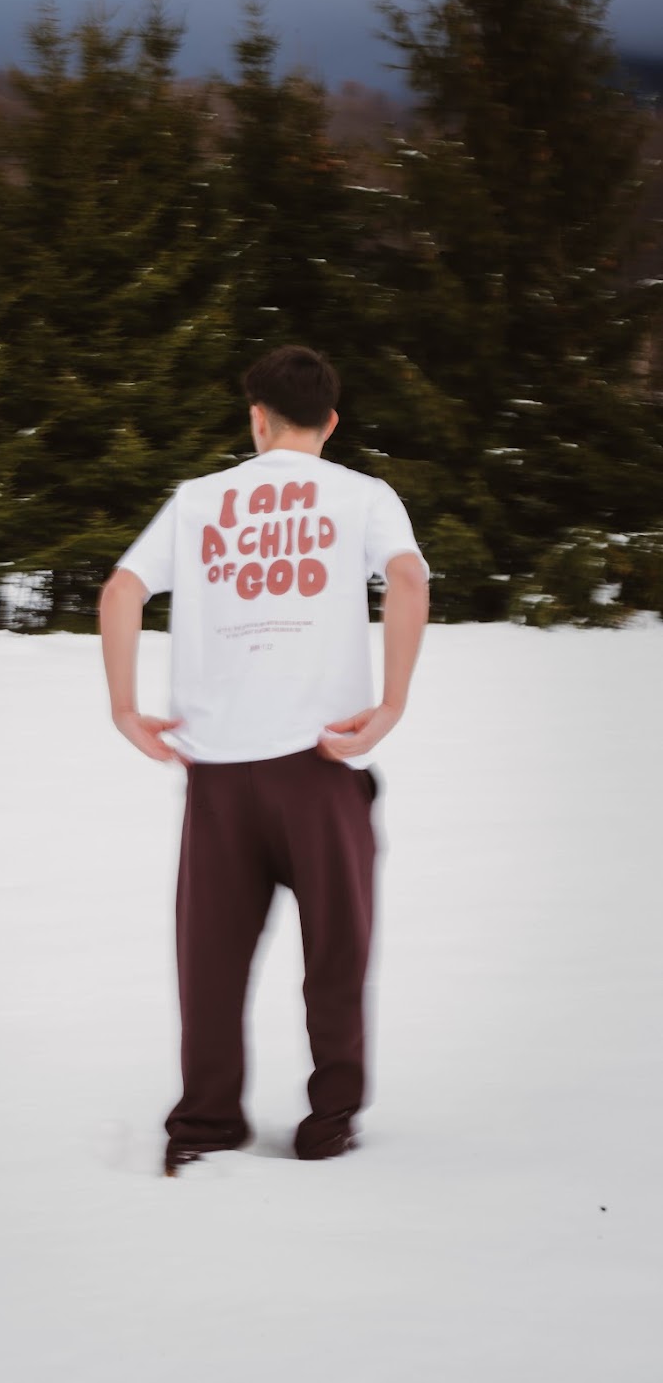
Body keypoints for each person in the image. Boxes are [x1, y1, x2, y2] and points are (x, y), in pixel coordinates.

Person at [99, 345, 429, 1176]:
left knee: (208, 963)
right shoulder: (363, 495)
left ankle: (205, 1125)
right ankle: (330, 1122)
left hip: (218, 774)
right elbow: (408, 579)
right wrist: (390, 704)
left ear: (257, 419)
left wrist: (125, 709)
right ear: (331, 423)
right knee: (338, 957)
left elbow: (122, 590)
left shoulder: (198, 499)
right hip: (321, 765)